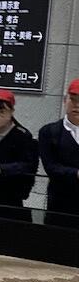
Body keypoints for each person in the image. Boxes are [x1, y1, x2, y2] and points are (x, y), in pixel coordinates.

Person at [39, 78, 79, 215]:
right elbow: (50, 167)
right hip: (60, 203)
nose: (77, 105)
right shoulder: (49, 132)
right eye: (73, 99)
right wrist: (76, 173)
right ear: (65, 100)